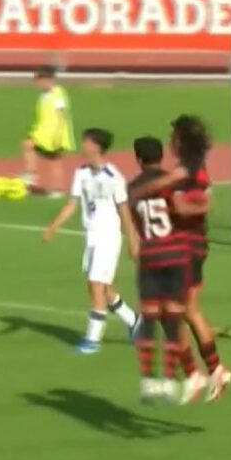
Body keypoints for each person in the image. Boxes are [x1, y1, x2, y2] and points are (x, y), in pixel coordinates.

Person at [128, 116, 231, 403]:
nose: (170, 141)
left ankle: (198, 373)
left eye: (174, 136)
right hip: (191, 247)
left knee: (174, 311)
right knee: (187, 311)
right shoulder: (189, 169)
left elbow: (197, 204)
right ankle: (213, 371)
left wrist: (175, 204)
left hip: (189, 248)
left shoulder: (189, 172)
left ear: (181, 140)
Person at [43, 128, 140, 354]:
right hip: (91, 237)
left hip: (108, 236)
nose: (82, 146)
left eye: (86, 142)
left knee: (95, 285)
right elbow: (73, 203)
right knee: (103, 287)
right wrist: (53, 226)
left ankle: (93, 339)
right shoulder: (81, 173)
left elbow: (124, 211)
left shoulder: (113, 177)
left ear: (96, 147)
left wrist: (132, 240)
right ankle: (134, 322)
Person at [127, 136, 202, 404]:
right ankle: (170, 382)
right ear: (162, 157)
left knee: (149, 319)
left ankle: (148, 381)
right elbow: (181, 211)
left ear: (138, 159)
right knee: (173, 318)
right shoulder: (173, 182)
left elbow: (135, 224)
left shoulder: (133, 187)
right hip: (176, 256)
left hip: (150, 256)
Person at [22, 66, 74, 198]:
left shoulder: (57, 94)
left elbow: (62, 115)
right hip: (42, 131)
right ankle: (31, 176)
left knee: (53, 160)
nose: (38, 84)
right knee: (30, 146)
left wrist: (59, 135)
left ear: (49, 80)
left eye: (40, 81)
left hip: (52, 134)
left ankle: (54, 187)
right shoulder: (43, 95)